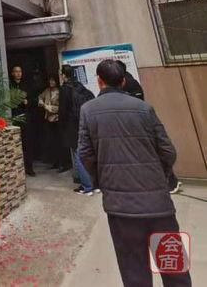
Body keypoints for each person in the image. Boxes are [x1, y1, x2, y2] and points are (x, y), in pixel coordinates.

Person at [78, 59, 191, 287]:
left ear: (99, 81)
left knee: (134, 272)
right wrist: (160, 177)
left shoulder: (88, 110)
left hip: (121, 207)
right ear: (123, 81)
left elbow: (85, 153)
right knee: (174, 269)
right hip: (158, 205)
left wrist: (103, 178)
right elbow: (168, 151)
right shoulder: (144, 108)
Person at [117, 60, 182, 196]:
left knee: (152, 153)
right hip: (135, 124)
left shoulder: (130, 83)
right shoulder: (128, 81)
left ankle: (170, 181)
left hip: (136, 125)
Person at [58, 64, 95, 194]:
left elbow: (62, 110)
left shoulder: (64, 89)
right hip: (84, 122)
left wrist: (61, 125)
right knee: (86, 152)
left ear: (63, 75)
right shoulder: (79, 86)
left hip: (72, 125)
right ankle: (92, 182)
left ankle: (87, 186)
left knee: (77, 154)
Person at [10, 65, 36, 177]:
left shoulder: (27, 85)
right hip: (14, 117)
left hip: (25, 117)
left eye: (20, 71)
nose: (18, 73)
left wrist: (27, 102)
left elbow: (34, 99)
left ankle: (29, 168)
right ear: (12, 73)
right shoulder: (10, 86)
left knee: (27, 143)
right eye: (16, 71)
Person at [39, 75, 61, 169]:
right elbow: (40, 97)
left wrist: (48, 107)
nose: (51, 82)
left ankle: (61, 163)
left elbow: (60, 107)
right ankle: (55, 162)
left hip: (57, 119)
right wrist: (41, 102)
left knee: (58, 141)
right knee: (51, 141)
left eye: (53, 81)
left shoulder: (59, 92)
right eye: (50, 80)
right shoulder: (47, 91)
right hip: (48, 119)